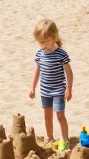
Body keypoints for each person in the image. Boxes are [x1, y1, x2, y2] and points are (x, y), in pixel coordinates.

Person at [28, 19, 74, 147]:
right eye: (40, 42)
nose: (42, 44)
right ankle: (50, 138)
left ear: (54, 37)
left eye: (45, 41)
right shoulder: (40, 54)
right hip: (45, 91)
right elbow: (37, 71)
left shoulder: (61, 54)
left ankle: (65, 140)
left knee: (60, 116)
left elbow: (69, 73)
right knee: (47, 117)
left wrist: (69, 89)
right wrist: (33, 88)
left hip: (58, 90)